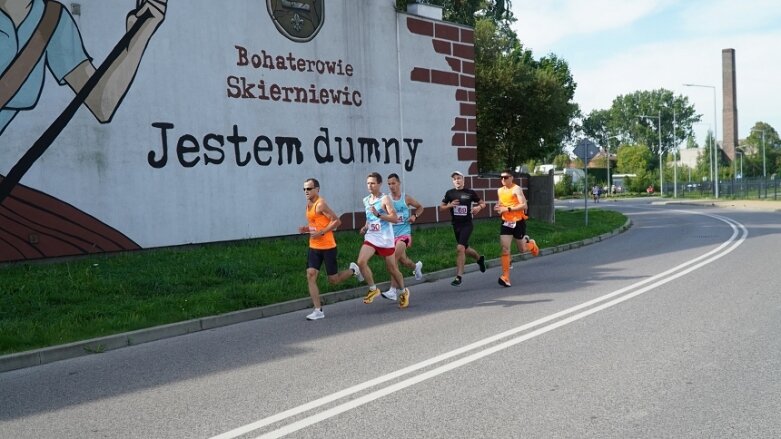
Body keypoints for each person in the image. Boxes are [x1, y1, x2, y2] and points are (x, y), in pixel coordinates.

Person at [298, 178, 362, 320]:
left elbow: (336, 221)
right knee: (310, 274)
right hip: (314, 246)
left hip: (328, 247)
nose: (306, 192)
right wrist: (306, 229)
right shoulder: (309, 204)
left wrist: (321, 232)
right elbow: (317, 223)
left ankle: (354, 270)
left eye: (309, 189)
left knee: (333, 280)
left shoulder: (321, 205)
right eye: (304, 189)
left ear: (317, 189)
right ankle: (318, 310)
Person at [357, 172, 410, 309]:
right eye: (368, 183)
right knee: (361, 262)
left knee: (392, 268)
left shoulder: (385, 199)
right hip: (372, 236)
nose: (370, 185)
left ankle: (404, 291)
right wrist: (365, 227)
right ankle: (373, 288)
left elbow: (394, 218)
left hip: (386, 238)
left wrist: (379, 214)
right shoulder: (366, 200)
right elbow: (370, 218)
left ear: (379, 184)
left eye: (373, 183)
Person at [380, 173, 424, 301]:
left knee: (392, 259)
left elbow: (420, 207)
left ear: (399, 183)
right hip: (390, 236)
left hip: (404, 234)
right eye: (389, 184)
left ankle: (393, 291)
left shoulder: (406, 198)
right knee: (403, 261)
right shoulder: (386, 200)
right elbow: (380, 215)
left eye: (393, 183)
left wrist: (414, 216)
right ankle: (416, 267)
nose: (391, 186)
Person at [440, 171, 486, 286]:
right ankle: (479, 259)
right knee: (465, 248)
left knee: (460, 248)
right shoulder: (450, 193)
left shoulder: (469, 193)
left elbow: (483, 203)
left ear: (463, 180)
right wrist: (450, 205)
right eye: (455, 179)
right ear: (453, 181)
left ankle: (458, 277)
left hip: (467, 224)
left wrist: (478, 208)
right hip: (456, 225)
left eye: (459, 178)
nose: (457, 180)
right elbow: (441, 207)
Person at [493, 170, 539, 287]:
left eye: (505, 177)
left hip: (518, 222)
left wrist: (508, 209)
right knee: (505, 249)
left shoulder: (516, 189)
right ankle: (506, 277)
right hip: (506, 223)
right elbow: (501, 204)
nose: (503, 179)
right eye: (501, 177)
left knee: (522, 250)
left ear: (511, 178)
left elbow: (524, 205)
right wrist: (498, 207)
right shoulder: (500, 190)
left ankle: (532, 245)